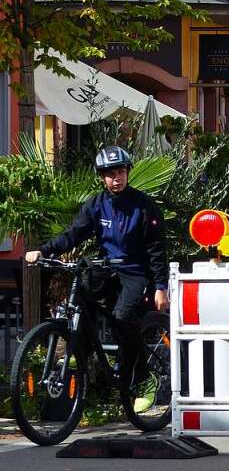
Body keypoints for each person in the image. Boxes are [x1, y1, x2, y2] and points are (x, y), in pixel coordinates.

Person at [25, 145, 168, 388]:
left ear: (127, 173)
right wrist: (43, 250)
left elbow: (156, 247)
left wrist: (161, 287)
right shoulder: (96, 205)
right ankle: (83, 354)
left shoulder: (144, 205)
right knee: (79, 298)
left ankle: (137, 372)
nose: (117, 178)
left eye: (121, 172)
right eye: (111, 174)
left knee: (123, 317)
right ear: (102, 178)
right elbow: (73, 234)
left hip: (134, 272)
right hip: (106, 269)